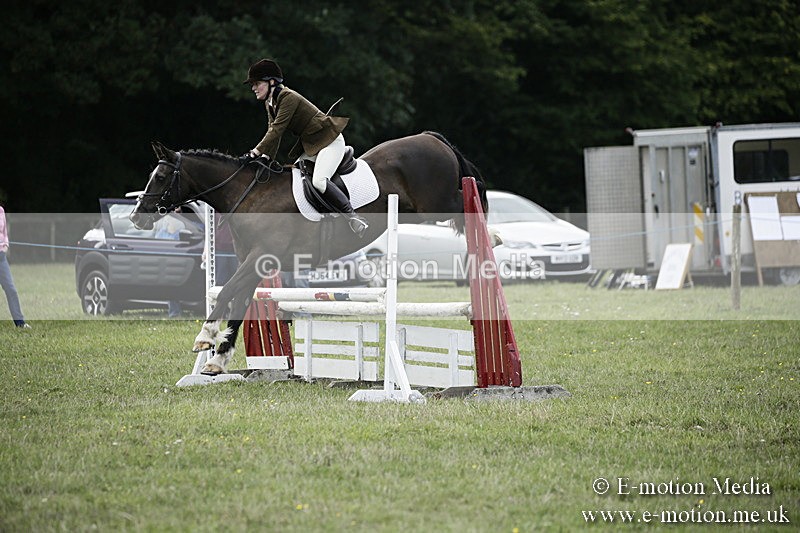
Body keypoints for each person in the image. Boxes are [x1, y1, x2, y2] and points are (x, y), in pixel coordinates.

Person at [243, 58, 369, 237]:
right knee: (296, 177)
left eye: (257, 83)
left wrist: (254, 152)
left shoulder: (288, 98)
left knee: (319, 181)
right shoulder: (270, 102)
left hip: (330, 142)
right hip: (312, 147)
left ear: (272, 82)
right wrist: (265, 158)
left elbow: (277, 130)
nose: (253, 88)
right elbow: (273, 132)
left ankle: (353, 218)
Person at [0, 203, 30, 329]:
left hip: (1, 257)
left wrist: (5, 245)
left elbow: (5, 232)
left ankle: (20, 323)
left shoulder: (1, 210)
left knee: (11, 289)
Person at [154, 211, 185, 318]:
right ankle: (174, 313)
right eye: (167, 220)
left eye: (171, 220)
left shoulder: (181, 232)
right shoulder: (161, 232)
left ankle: (176, 311)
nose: (168, 221)